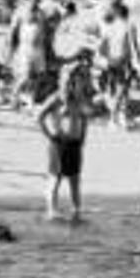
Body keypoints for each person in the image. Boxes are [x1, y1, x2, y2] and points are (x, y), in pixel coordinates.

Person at [37, 60, 95, 222]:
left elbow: (84, 118)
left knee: (75, 179)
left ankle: (76, 209)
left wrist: (83, 137)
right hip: (59, 143)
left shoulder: (78, 98)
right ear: (62, 80)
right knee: (56, 178)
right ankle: (52, 210)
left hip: (75, 143)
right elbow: (39, 117)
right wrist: (49, 135)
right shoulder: (56, 99)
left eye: (73, 81)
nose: (70, 84)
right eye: (68, 80)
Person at [7, 0, 50, 110]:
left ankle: (31, 100)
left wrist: (47, 46)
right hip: (26, 48)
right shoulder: (20, 12)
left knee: (37, 77)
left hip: (39, 49)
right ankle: (14, 97)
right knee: (25, 76)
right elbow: (12, 30)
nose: (37, 1)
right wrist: (10, 47)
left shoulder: (41, 13)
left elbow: (44, 30)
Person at [97, 3, 138, 127]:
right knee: (122, 90)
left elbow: (102, 47)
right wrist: (137, 62)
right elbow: (133, 45)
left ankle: (121, 115)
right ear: (126, 14)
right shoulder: (129, 26)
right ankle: (114, 117)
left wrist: (103, 60)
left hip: (111, 61)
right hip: (123, 61)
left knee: (117, 89)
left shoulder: (110, 26)